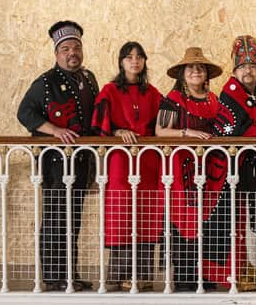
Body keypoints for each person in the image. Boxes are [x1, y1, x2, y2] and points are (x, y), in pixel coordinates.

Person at [17, 20, 98, 291]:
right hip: (54, 163)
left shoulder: (89, 79)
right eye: (66, 48)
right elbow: (25, 112)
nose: (72, 52)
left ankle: (70, 275)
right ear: (56, 53)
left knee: (73, 219)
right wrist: (54, 130)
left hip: (82, 161)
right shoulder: (45, 81)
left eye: (76, 47)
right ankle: (52, 277)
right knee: (55, 218)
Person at [91, 41, 162, 292]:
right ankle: (118, 275)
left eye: (139, 57)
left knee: (146, 216)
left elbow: (163, 128)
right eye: (129, 57)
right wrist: (118, 130)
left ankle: (142, 276)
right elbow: (99, 127)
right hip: (121, 161)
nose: (135, 61)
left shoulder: (153, 93)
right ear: (121, 62)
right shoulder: (109, 91)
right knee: (121, 215)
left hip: (149, 163)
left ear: (144, 61)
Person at [155, 47, 225, 291]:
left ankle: (205, 276)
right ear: (182, 74)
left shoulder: (214, 100)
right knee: (183, 220)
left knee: (208, 222)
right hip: (180, 171)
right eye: (191, 67)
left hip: (209, 172)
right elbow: (160, 132)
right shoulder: (173, 99)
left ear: (206, 74)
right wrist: (188, 133)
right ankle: (185, 278)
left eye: (201, 67)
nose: (196, 71)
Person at [212, 35, 256, 291]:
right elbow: (231, 130)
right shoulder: (229, 94)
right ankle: (235, 272)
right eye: (243, 66)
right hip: (234, 172)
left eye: (253, 66)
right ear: (235, 70)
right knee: (237, 224)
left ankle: (254, 269)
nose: (249, 71)